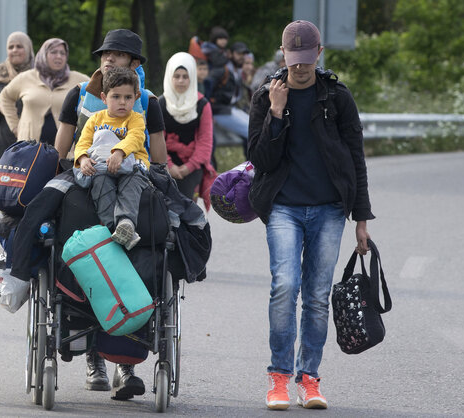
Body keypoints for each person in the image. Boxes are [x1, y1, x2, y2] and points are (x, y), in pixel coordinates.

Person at [246, 20, 374, 410]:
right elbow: (260, 160)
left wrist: (362, 218)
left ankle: (309, 379)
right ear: (282, 54)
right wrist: (277, 113)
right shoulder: (264, 97)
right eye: (293, 59)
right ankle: (279, 378)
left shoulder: (337, 97)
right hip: (283, 207)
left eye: (306, 60)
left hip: (330, 210)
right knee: (285, 286)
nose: (300, 68)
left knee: (317, 296)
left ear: (318, 55)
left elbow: (356, 158)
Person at [54, 28, 167, 399]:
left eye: (117, 55)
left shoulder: (147, 102)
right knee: (84, 261)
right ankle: (93, 358)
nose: (107, 59)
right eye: (105, 53)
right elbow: (62, 151)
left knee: (136, 259)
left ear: (134, 64)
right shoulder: (79, 96)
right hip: (89, 181)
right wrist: (84, 162)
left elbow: (160, 157)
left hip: (132, 177)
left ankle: (125, 363)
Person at [74, 67, 149, 250]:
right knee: (100, 184)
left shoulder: (136, 118)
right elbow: (82, 143)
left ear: (136, 97)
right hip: (102, 168)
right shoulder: (95, 119)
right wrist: (83, 159)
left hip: (132, 167)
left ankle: (126, 222)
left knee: (130, 185)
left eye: (128, 97)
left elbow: (136, 137)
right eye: (116, 97)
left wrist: (119, 152)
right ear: (103, 97)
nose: (122, 102)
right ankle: (114, 229)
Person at [0, 38, 88, 145]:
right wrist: (14, 127)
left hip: (65, 152)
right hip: (29, 149)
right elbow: (5, 97)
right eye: (53, 52)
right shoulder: (26, 78)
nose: (59, 56)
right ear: (43, 54)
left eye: (62, 53)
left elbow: (99, 94)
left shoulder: (79, 80)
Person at [160, 52, 215, 207]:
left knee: (185, 206)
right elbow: (157, 140)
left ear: (192, 77)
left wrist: (187, 168)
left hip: (193, 166)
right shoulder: (159, 104)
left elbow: (205, 142)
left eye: (185, 76)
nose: (181, 81)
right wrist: (169, 166)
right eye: (176, 76)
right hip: (164, 165)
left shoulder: (202, 104)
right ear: (170, 77)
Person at [0, 31, 34, 168]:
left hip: (33, 148)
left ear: (28, 48)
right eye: (11, 47)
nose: (14, 50)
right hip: (1, 151)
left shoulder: (40, 74)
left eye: (19, 46)